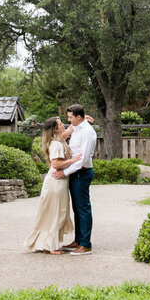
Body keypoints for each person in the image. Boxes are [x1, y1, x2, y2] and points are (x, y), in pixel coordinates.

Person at [24, 117, 81, 255]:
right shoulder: (56, 144)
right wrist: (72, 160)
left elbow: (69, 131)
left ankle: (48, 244)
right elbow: (55, 164)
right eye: (61, 124)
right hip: (56, 183)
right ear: (56, 129)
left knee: (56, 213)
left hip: (59, 182)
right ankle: (51, 246)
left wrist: (83, 120)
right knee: (56, 213)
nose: (64, 125)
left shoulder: (58, 139)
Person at [54, 103, 96, 254]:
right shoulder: (77, 128)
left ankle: (86, 244)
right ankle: (78, 240)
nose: (69, 120)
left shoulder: (88, 132)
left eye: (71, 117)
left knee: (83, 208)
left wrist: (64, 173)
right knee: (77, 209)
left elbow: (83, 159)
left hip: (82, 173)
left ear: (78, 117)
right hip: (75, 173)